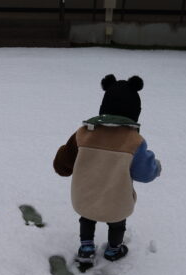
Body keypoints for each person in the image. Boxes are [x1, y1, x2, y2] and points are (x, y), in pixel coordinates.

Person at [53, 74, 160, 263]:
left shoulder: (84, 134)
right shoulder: (134, 141)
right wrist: (156, 167)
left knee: (87, 218)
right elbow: (145, 173)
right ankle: (113, 250)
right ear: (135, 111)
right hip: (117, 199)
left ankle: (86, 248)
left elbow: (64, 162)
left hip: (85, 197)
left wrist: (64, 160)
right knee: (117, 223)